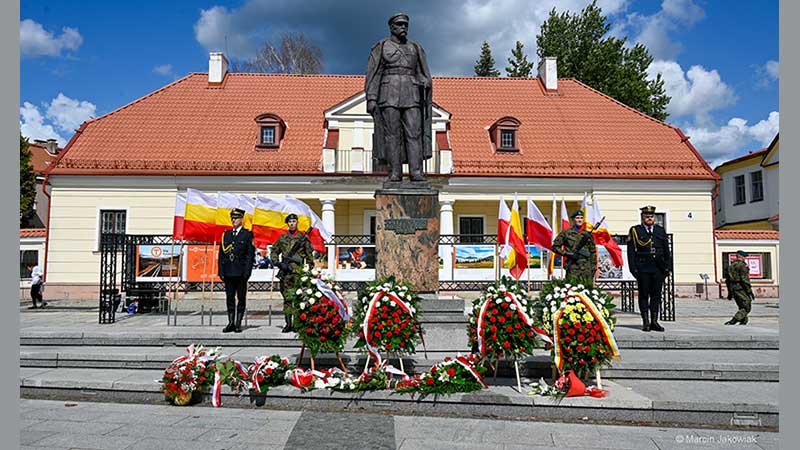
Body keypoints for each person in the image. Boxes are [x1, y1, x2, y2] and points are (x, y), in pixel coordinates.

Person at [365, 13, 433, 183]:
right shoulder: (381, 47)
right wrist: (372, 97)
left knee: (414, 133)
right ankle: (395, 172)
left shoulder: (415, 48)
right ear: (392, 27)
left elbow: (423, 73)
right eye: (400, 24)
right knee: (392, 135)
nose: (403, 28)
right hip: (388, 94)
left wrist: (425, 82)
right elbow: (374, 73)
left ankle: (415, 171)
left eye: (405, 25)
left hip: (412, 94)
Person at [627, 205, 671, 332]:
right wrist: (633, 269)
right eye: (647, 216)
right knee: (644, 295)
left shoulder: (660, 230)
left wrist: (667, 267)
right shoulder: (636, 230)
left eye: (651, 216)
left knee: (656, 296)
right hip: (643, 268)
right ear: (642, 218)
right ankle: (645, 322)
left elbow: (666, 250)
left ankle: (654, 321)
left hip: (658, 268)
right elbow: (631, 251)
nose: (649, 218)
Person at [270, 213, 314, 333]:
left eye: (294, 221)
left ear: (297, 223)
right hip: (285, 272)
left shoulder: (303, 238)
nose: (292, 223)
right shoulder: (282, 238)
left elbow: (309, 256)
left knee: (298, 299)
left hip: (298, 274)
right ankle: (288, 324)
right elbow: (274, 251)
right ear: (287, 223)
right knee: (287, 299)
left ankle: (297, 324)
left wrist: (308, 271)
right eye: (290, 222)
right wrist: (278, 263)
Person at [217, 208, 255, 333]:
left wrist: (247, 272)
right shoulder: (226, 234)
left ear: (241, 219)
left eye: (236, 218)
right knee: (229, 298)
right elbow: (222, 254)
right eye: (232, 218)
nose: (233, 220)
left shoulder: (247, 234)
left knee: (241, 298)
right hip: (228, 271)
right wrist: (221, 270)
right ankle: (231, 322)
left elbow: (250, 255)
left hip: (241, 272)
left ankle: (238, 323)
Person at [551, 210, 597, 283]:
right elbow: (555, 247)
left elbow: (593, 252)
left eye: (581, 218)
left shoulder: (587, 235)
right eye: (577, 218)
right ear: (573, 220)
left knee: (587, 291)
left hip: (586, 267)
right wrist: (567, 254)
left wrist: (594, 267)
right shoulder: (566, 233)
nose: (579, 220)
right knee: (572, 290)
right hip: (573, 266)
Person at [725, 250, 754, 325]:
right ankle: (734, 320)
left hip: (733, 288)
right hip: (741, 288)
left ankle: (743, 320)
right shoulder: (742, 266)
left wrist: (729, 292)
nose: (745, 258)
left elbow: (727, 280)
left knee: (741, 305)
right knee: (747, 306)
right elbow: (744, 280)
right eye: (744, 257)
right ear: (741, 257)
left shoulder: (731, 266)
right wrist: (749, 291)